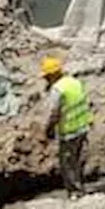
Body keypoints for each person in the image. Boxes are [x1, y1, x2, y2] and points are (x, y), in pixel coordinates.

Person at [42, 57, 92, 197]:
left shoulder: (58, 89)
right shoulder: (74, 82)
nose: (46, 80)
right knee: (76, 160)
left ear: (52, 74)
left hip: (69, 131)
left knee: (67, 163)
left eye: (47, 77)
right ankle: (79, 186)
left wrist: (49, 129)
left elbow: (54, 112)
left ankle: (75, 193)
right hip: (82, 127)